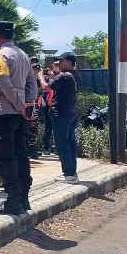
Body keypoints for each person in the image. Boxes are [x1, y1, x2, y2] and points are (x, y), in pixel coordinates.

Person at [0, 21, 38, 215]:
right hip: (20, 113)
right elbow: (32, 83)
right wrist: (27, 105)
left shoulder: (0, 54)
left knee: (4, 156)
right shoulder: (23, 55)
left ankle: (13, 199)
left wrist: (18, 104)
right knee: (20, 154)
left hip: (4, 111)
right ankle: (23, 197)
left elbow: (3, 82)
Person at [38, 52, 79, 182]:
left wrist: (40, 75)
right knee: (70, 142)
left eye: (60, 61)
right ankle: (72, 172)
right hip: (71, 113)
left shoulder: (64, 76)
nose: (58, 64)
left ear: (68, 62)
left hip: (61, 114)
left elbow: (45, 87)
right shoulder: (75, 75)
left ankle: (69, 174)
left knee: (62, 143)